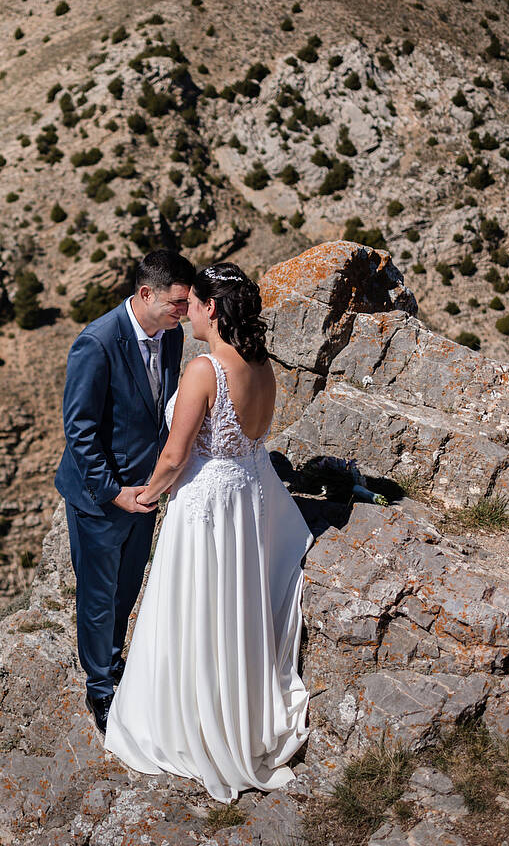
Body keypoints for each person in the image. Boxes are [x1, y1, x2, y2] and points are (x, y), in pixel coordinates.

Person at [103, 261, 315, 803]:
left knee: (195, 605)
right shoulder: (261, 364)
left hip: (205, 501)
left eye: (192, 303)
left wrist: (143, 498)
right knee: (230, 603)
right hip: (247, 493)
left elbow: (176, 455)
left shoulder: (205, 370)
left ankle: (188, 720)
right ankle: (231, 706)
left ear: (212, 309)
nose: (185, 311)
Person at [54, 249, 197, 734]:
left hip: (147, 493)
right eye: (177, 303)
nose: (184, 311)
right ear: (145, 294)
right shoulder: (96, 343)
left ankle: (115, 666)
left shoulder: (171, 338)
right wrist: (114, 493)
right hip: (102, 497)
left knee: (127, 591)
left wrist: (157, 483)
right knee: (98, 596)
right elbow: (80, 431)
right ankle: (101, 691)